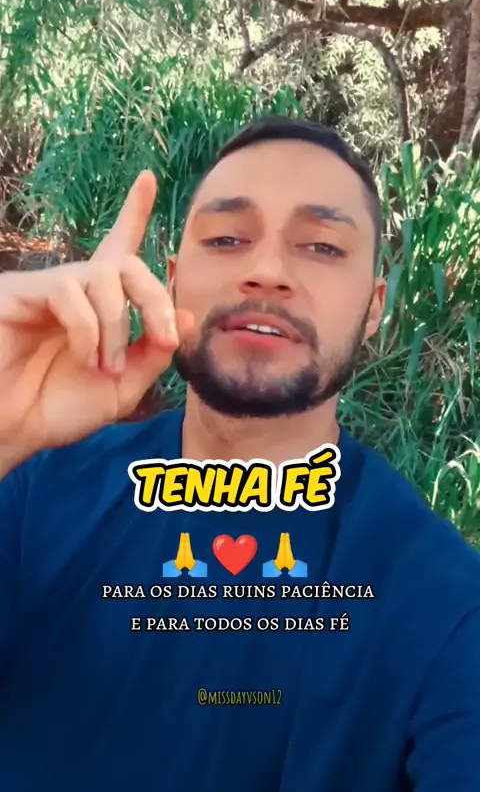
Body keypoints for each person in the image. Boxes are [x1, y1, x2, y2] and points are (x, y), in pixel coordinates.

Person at [0, 116, 479, 792]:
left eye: (322, 246)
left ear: (374, 309)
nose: (266, 272)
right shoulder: (33, 490)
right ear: (171, 280)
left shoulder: (443, 603)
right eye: (226, 238)